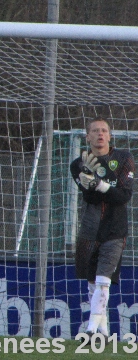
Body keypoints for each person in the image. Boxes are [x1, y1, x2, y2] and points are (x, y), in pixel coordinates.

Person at [70, 116, 134, 344]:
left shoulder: (123, 158)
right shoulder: (78, 164)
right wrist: (99, 186)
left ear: (110, 135)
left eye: (104, 130)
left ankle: (89, 331)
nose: (100, 134)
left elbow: (123, 196)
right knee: (92, 283)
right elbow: (89, 196)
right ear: (87, 136)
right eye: (95, 131)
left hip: (115, 231)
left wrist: (101, 184)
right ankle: (104, 334)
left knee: (103, 280)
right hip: (89, 230)